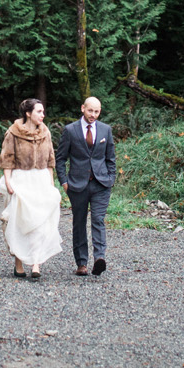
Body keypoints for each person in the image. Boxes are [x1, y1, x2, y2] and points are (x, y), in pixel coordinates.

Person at [0, 98, 63, 280]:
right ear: (28, 113)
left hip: (40, 179)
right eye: (39, 111)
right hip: (21, 178)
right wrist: (9, 182)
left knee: (41, 222)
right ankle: (18, 263)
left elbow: (50, 160)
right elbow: (7, 159)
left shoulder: (45, 132)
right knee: (20, 222)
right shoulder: (13, 132)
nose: (43, 115)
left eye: (43, 111)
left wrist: (50, 183)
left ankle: (36, 263)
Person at [56, 96, 115, 277]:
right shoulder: (70, 130)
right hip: (77, 185)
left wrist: (110, 179)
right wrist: (64, 182)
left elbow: (110, 158)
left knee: (98, 220)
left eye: (97, 112)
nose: (93, 115)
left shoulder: (105, 130)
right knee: (79, 223)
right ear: (83, 108)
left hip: (101, 184)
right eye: (90, 111)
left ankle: (99, 258)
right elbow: (60, 159)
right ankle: (81, 263)